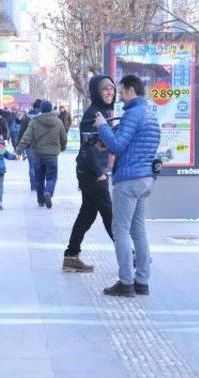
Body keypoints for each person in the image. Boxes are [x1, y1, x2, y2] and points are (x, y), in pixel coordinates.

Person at [94, 75, 160, 297]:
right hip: (145, 179)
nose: (119, 98)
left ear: (132, 90)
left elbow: (118, 146)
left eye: (121, 93)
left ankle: (125, 282)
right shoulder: (150, 114)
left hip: (129, 180)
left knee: (120, 230)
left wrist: (103, 127)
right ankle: (142, 281)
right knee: (138, 231)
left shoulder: (133, 114)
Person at [63, 76, 116, 272]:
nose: (109, 92)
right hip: (92, 172)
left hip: (91, 171)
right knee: (109, 213)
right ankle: (129, 254)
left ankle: (71, 255)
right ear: (96, 92)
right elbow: (89, 147)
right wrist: (100, 172)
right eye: (105, 89)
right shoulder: (93, 114)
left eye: (111, 88)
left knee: (87, 214)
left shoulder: (102, 112)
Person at [18, 100, 67, 208]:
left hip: (38, 155)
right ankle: (48, 192)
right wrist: (62, 148)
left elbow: (27, 137)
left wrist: (19, 149)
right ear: (51, 109)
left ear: (41, 109)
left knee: (39, 179)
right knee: (52, 177)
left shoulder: (34, 121)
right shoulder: (58, 122)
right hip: (52, 156)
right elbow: (63, 137)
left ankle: (41, 200)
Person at [18, 99, 43, 191]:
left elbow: (21, 131)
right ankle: (39, 183)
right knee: (40, 165)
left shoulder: (26, 117)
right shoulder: (42, 117)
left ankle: (33, 185)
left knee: (31, 166)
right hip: (40, 145)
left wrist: (19, 145)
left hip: (29, 145)